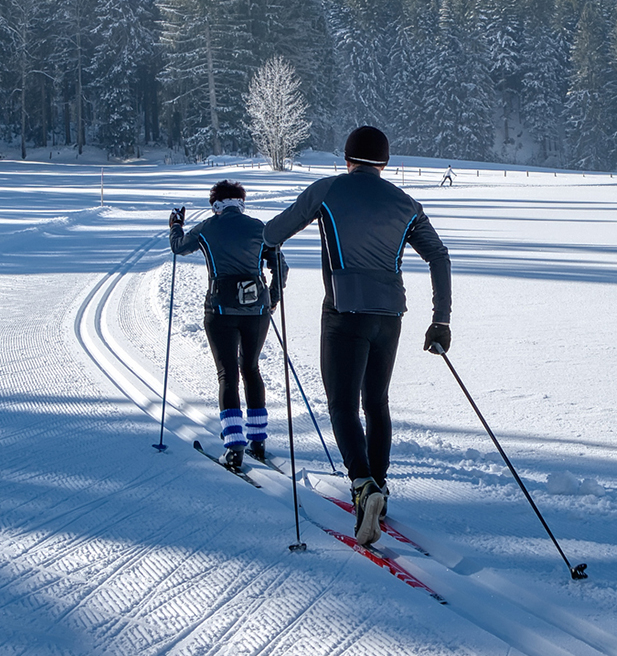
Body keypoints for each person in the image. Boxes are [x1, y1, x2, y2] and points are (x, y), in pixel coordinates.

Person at [264, 125, 451, 545]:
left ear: (347, 158)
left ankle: (362, 485)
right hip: (390, 315)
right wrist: (441, 319)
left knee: (343, 405)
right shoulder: (407, 204)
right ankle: (378, 489)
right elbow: (439, 255)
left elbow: (272, 234)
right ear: (384, 163)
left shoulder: (327, 190)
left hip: (344, 313)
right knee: (376, 402)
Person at [170, 180, 287, 472]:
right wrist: (271, 299)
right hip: (257, 311)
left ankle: (234, 447)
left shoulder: (207, 228)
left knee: (227, 375)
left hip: (220, 310)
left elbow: (178, 248)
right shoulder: (260, 228)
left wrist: (175, 225)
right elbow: (281, 266)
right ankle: (258, 440)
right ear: (241, 203)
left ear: (216, 205)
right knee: (251, 368)